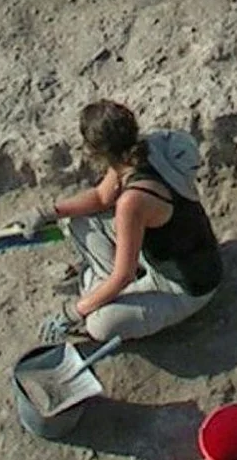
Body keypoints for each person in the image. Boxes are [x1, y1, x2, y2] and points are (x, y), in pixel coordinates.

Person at [39, 100, 222, 342]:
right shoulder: (146, 148)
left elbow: (122, 276)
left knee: (99, 324)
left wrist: (73, 312)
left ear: (96, 151)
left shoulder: (132, 202)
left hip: (186, 287)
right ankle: (101, 291)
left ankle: (100, 291)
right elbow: (101, 197)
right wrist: (47, 212)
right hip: (175, 251)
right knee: (78, 221)